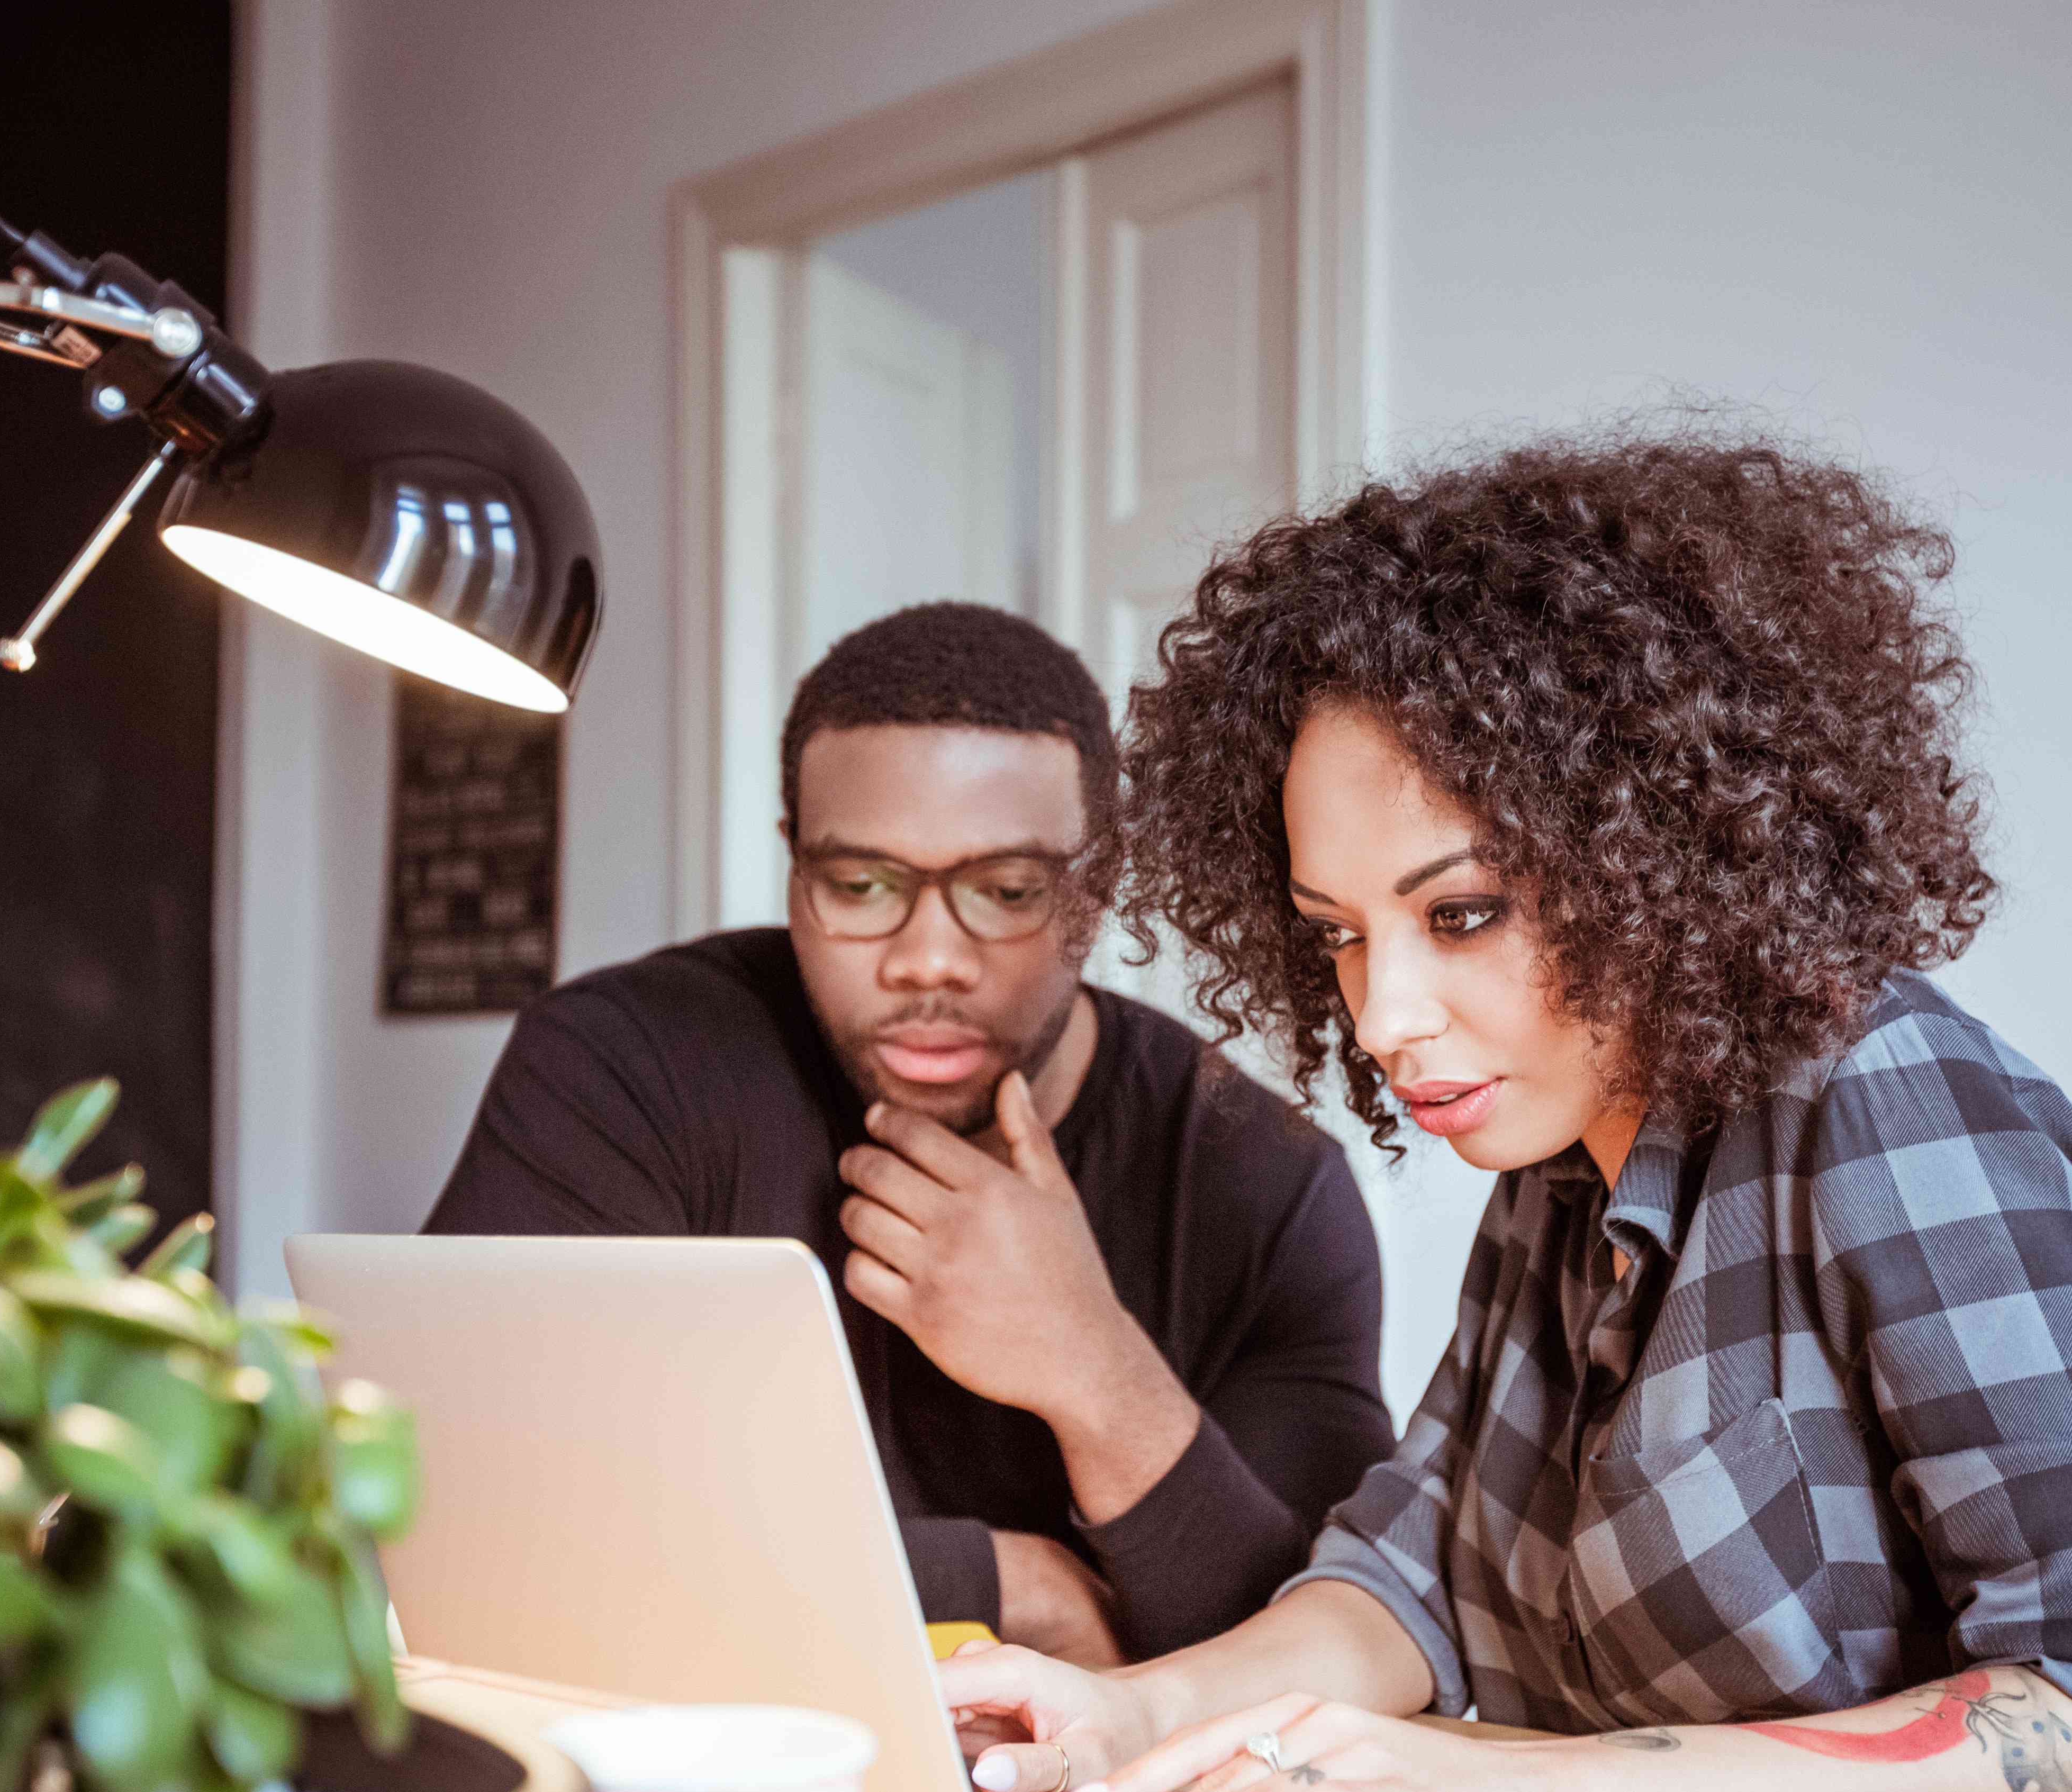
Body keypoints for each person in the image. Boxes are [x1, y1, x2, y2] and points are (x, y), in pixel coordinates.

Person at [942, 431, 2072, 1792]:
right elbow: (1410, 1578)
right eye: (1336, 931)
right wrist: (1141, 1712)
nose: (1381, 1016)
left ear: (1657, 845)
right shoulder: (1555, 1165)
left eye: (1459, 915)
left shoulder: (1887, 1096)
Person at [426, 603, 1392, 1665]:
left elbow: (1327, 1664)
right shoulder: (626, 1072)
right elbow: (486, 1527)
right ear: (797, 869)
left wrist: (1094, 1369)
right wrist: (1006, 1584)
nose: (927, 959)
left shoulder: (1265, 1184)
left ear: (1098, 888)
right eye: (863, 886)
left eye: (1008, 891)